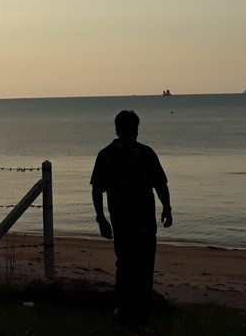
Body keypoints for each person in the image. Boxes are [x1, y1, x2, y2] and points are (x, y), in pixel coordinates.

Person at [90, 110, 172, 333]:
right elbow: (160, 184)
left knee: (125, 264)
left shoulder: (106, 154)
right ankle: (138, 316)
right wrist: (167, 207)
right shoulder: (144, 153)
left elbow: (97, 189)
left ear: (117, 128)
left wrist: (101, 218)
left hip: (121, 220)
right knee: (143, 267)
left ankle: (123, 309)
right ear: (136, 128)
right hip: (142, 220)